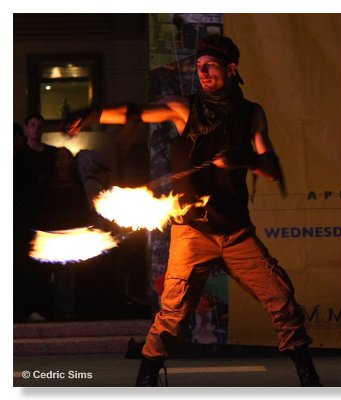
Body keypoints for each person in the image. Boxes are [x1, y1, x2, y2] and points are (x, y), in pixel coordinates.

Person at [63, 35, 322, 387]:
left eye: (210, 65)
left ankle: (309, 378)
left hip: (235, 232)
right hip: (192, 233)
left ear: (231, 68)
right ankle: (146, 379)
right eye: (198, 66)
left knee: (281, 299)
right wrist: (92, 113)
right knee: (172, 313)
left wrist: (243, 159)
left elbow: (271, 166)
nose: (202, 72)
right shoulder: (184, 108)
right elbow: (134, 112)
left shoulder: (251, 113)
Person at [14, 113, 88, 322]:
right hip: (30, 220)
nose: (36, 129)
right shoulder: (21, 160)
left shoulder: (52, 155)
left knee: (56, 268)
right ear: (27, 129)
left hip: (52, 219)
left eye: (40, 125)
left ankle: (57, 309)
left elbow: (67, 187)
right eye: (33, 125)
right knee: (34, 268)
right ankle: (39, 309)